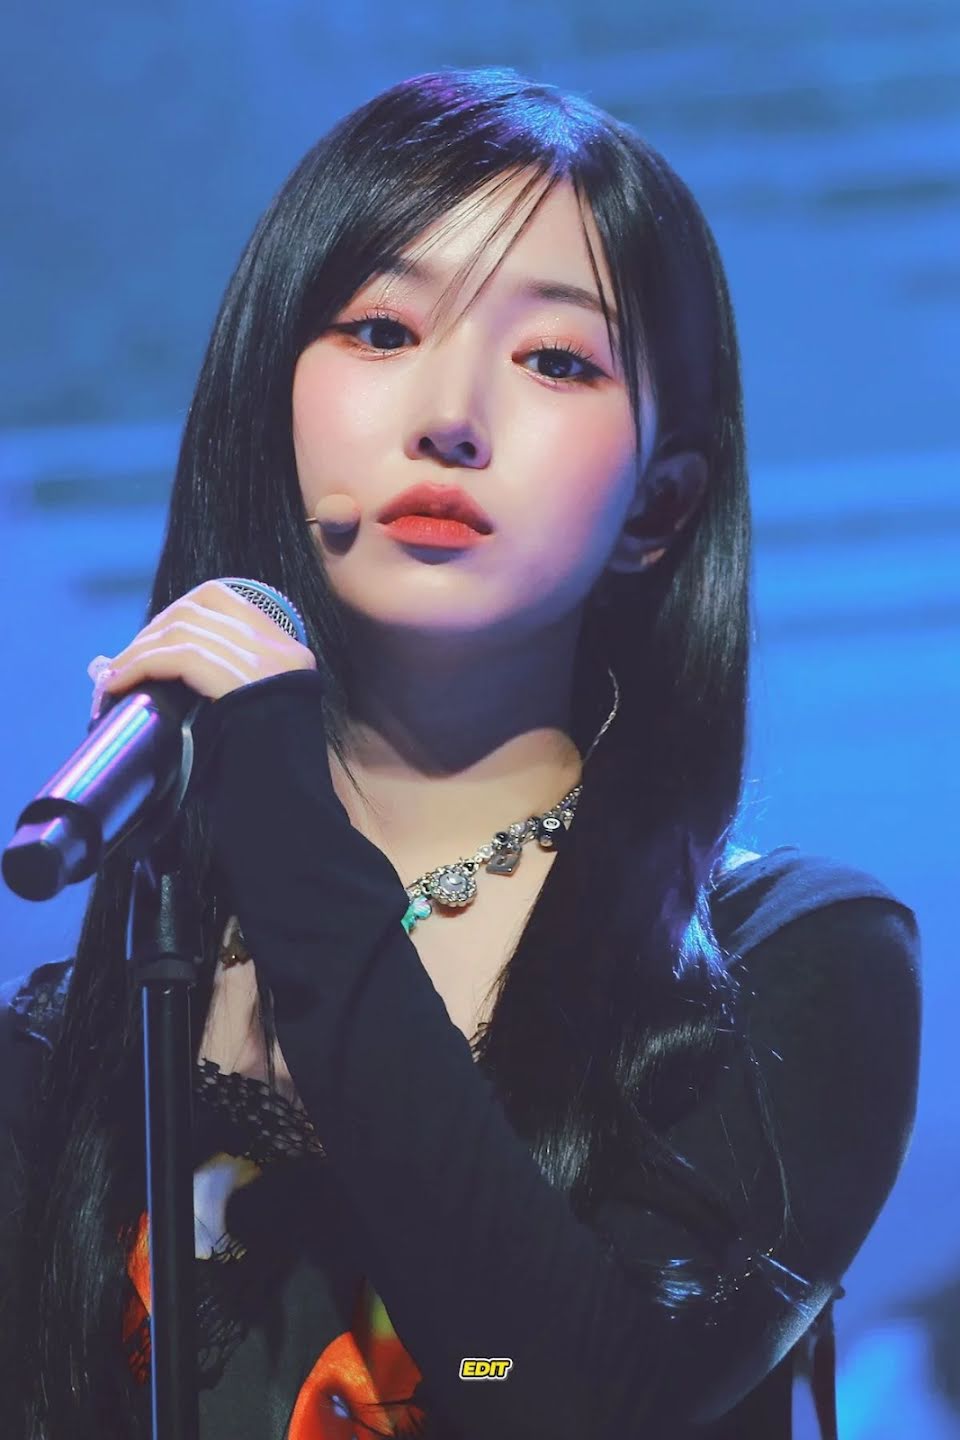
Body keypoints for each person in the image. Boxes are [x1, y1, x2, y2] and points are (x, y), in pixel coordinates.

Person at [0, 66, 921, 1440]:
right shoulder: (85, 1033)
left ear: (660, 504)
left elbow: (560, 1398)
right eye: (380, 329)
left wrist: (294, 833)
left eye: (556, 359)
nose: (448, 415)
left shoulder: (790, 967)